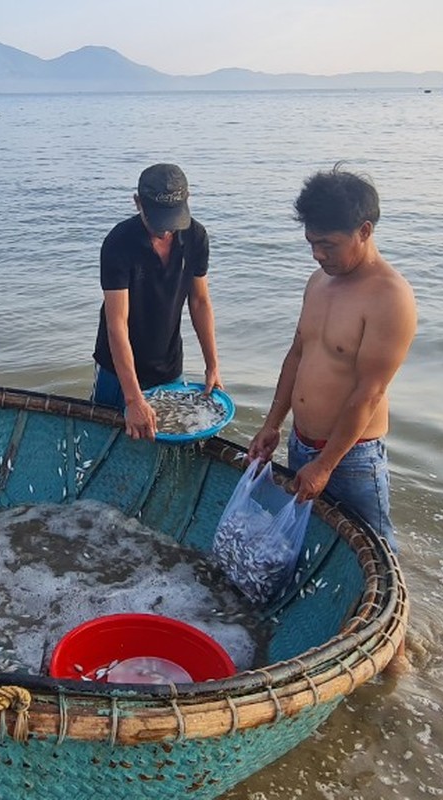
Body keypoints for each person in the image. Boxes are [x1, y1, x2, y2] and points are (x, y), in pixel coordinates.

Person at [246, 168, 416, 556]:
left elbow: (369, 393)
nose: (318, 254)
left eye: (328, 245)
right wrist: (273, 424)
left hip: (352, 456)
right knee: (309, 541)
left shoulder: (390, 297)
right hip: (301, 443)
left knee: (374, 550)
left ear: (365, 230)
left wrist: (325, 464)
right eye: (311, 243)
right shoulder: (318, 281)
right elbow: (297, 354)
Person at [91, 163, 221, 439]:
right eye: (158, 222)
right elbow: (117, 324)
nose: (165, 232)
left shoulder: (196, 237)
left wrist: (212, 365)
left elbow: (199, 302)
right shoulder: (118, 242)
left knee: (163, 442)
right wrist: (133, 398)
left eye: (173, 222)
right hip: (117, 370)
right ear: (137, 203)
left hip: (168, 365)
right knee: (106, 439)